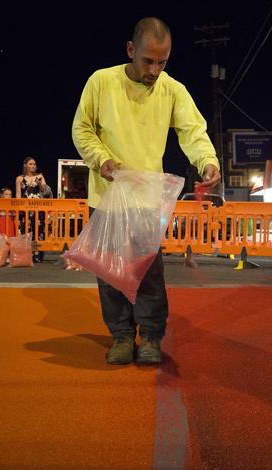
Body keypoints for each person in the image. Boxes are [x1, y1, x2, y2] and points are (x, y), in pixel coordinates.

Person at [71, 17, 221, 365]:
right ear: (130, 50)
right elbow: (82, 130)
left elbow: (193, 131)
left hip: (148, 201)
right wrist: (102, 160)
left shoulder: (172, 90)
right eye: (148, 60)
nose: (155, 70)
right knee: (110, 274)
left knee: (149, 272)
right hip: (106, 198)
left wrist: (207, 161)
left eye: (162, 62)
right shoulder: (101, 82)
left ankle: (150, 337)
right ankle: (122, 337)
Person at [16, 156, 53, 262]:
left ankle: (37, 255)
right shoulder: (19, 178)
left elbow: (45, 191)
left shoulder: (40, 176)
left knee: (39, 231)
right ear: (25, 165)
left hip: (38, 208)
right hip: (25, 209)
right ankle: (26, 255)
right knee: (25, 231)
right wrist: (19, 209)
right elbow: (18, 195)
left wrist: (40, 182)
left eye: (34, 164)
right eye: (30, 164)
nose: (33, 166)